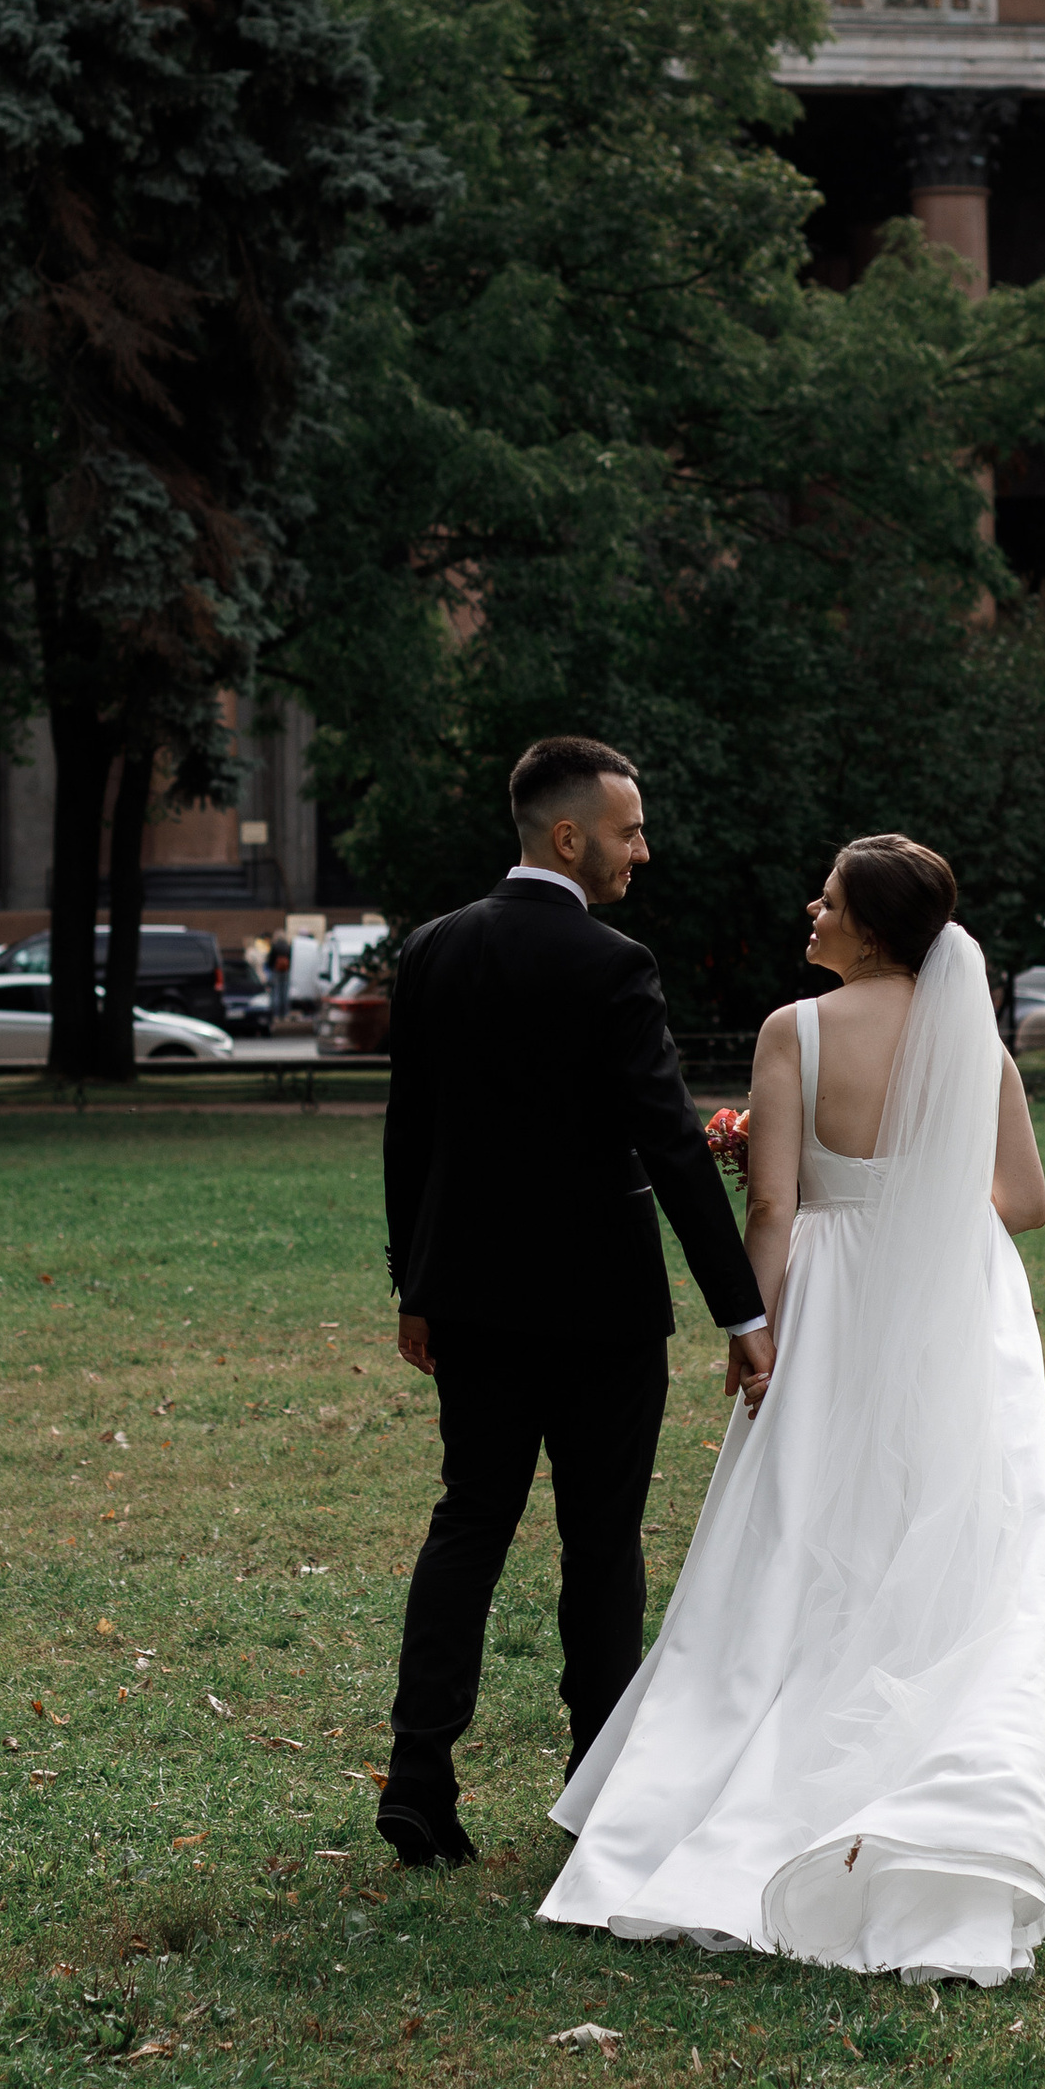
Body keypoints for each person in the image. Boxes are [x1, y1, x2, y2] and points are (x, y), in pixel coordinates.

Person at [542, 836, 1045, 1985]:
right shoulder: (972, 1046)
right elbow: (1025, 1203)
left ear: (870, 928)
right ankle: (951, 1776)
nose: (810, 908)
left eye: (828, 899)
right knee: (948, 1531)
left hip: (831, 1305)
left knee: (799, 1531)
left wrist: (756, 1329)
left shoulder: (798, 1030)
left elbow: (778, 1206)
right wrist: (922, 1202)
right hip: (955, 1303)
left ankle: (745, 1770)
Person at [381, 736, 774, 1870]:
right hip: (599, 1307)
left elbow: (413, 1136)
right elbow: (668, 1141)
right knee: (599, 1544)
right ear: (570, 837)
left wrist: (414, 1286)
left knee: (469, 1522)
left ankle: (417, 1777)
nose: (641, 850)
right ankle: (595, 1783)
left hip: (466, 1300)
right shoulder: (613, 966)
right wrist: (740, 1312)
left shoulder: (433, 950)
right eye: (629, 829)